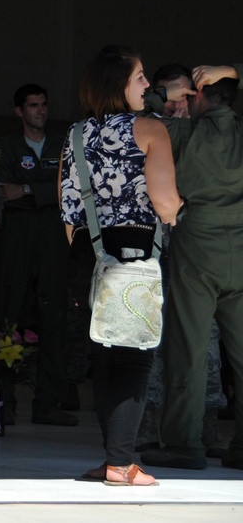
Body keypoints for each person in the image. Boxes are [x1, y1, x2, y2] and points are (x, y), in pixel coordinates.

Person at [59, 45, 180, 486]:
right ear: (120, 85)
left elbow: (67, 208)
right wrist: (177, 213)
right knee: (134, 359)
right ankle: (122, 463)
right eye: (140, 77)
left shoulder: (74, 134)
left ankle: (112, 457)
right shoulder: (150, 129)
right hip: (133, 251)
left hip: (86, 253)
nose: (147, 85)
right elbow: (165, 201)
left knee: (105, 358)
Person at [139, 70, 243, 471]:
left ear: (199, 95)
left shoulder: (184, 134)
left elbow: (138, 117)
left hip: (198, 244)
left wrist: (164, 93)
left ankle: (184, 443)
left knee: (189, 346)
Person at [0, 84, 76, 427]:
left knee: (54, 318)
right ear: (19, 111)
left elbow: (70, 189)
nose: (40, 111)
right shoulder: (7, 147)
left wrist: (27, 190)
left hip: (55, 239)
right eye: (32, 105)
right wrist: (44, 194)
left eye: (43, 104)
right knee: (6, 316)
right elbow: (0, 190)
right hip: (15, 238)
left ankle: (49, 403)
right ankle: (0, 401)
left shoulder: (64, 145)